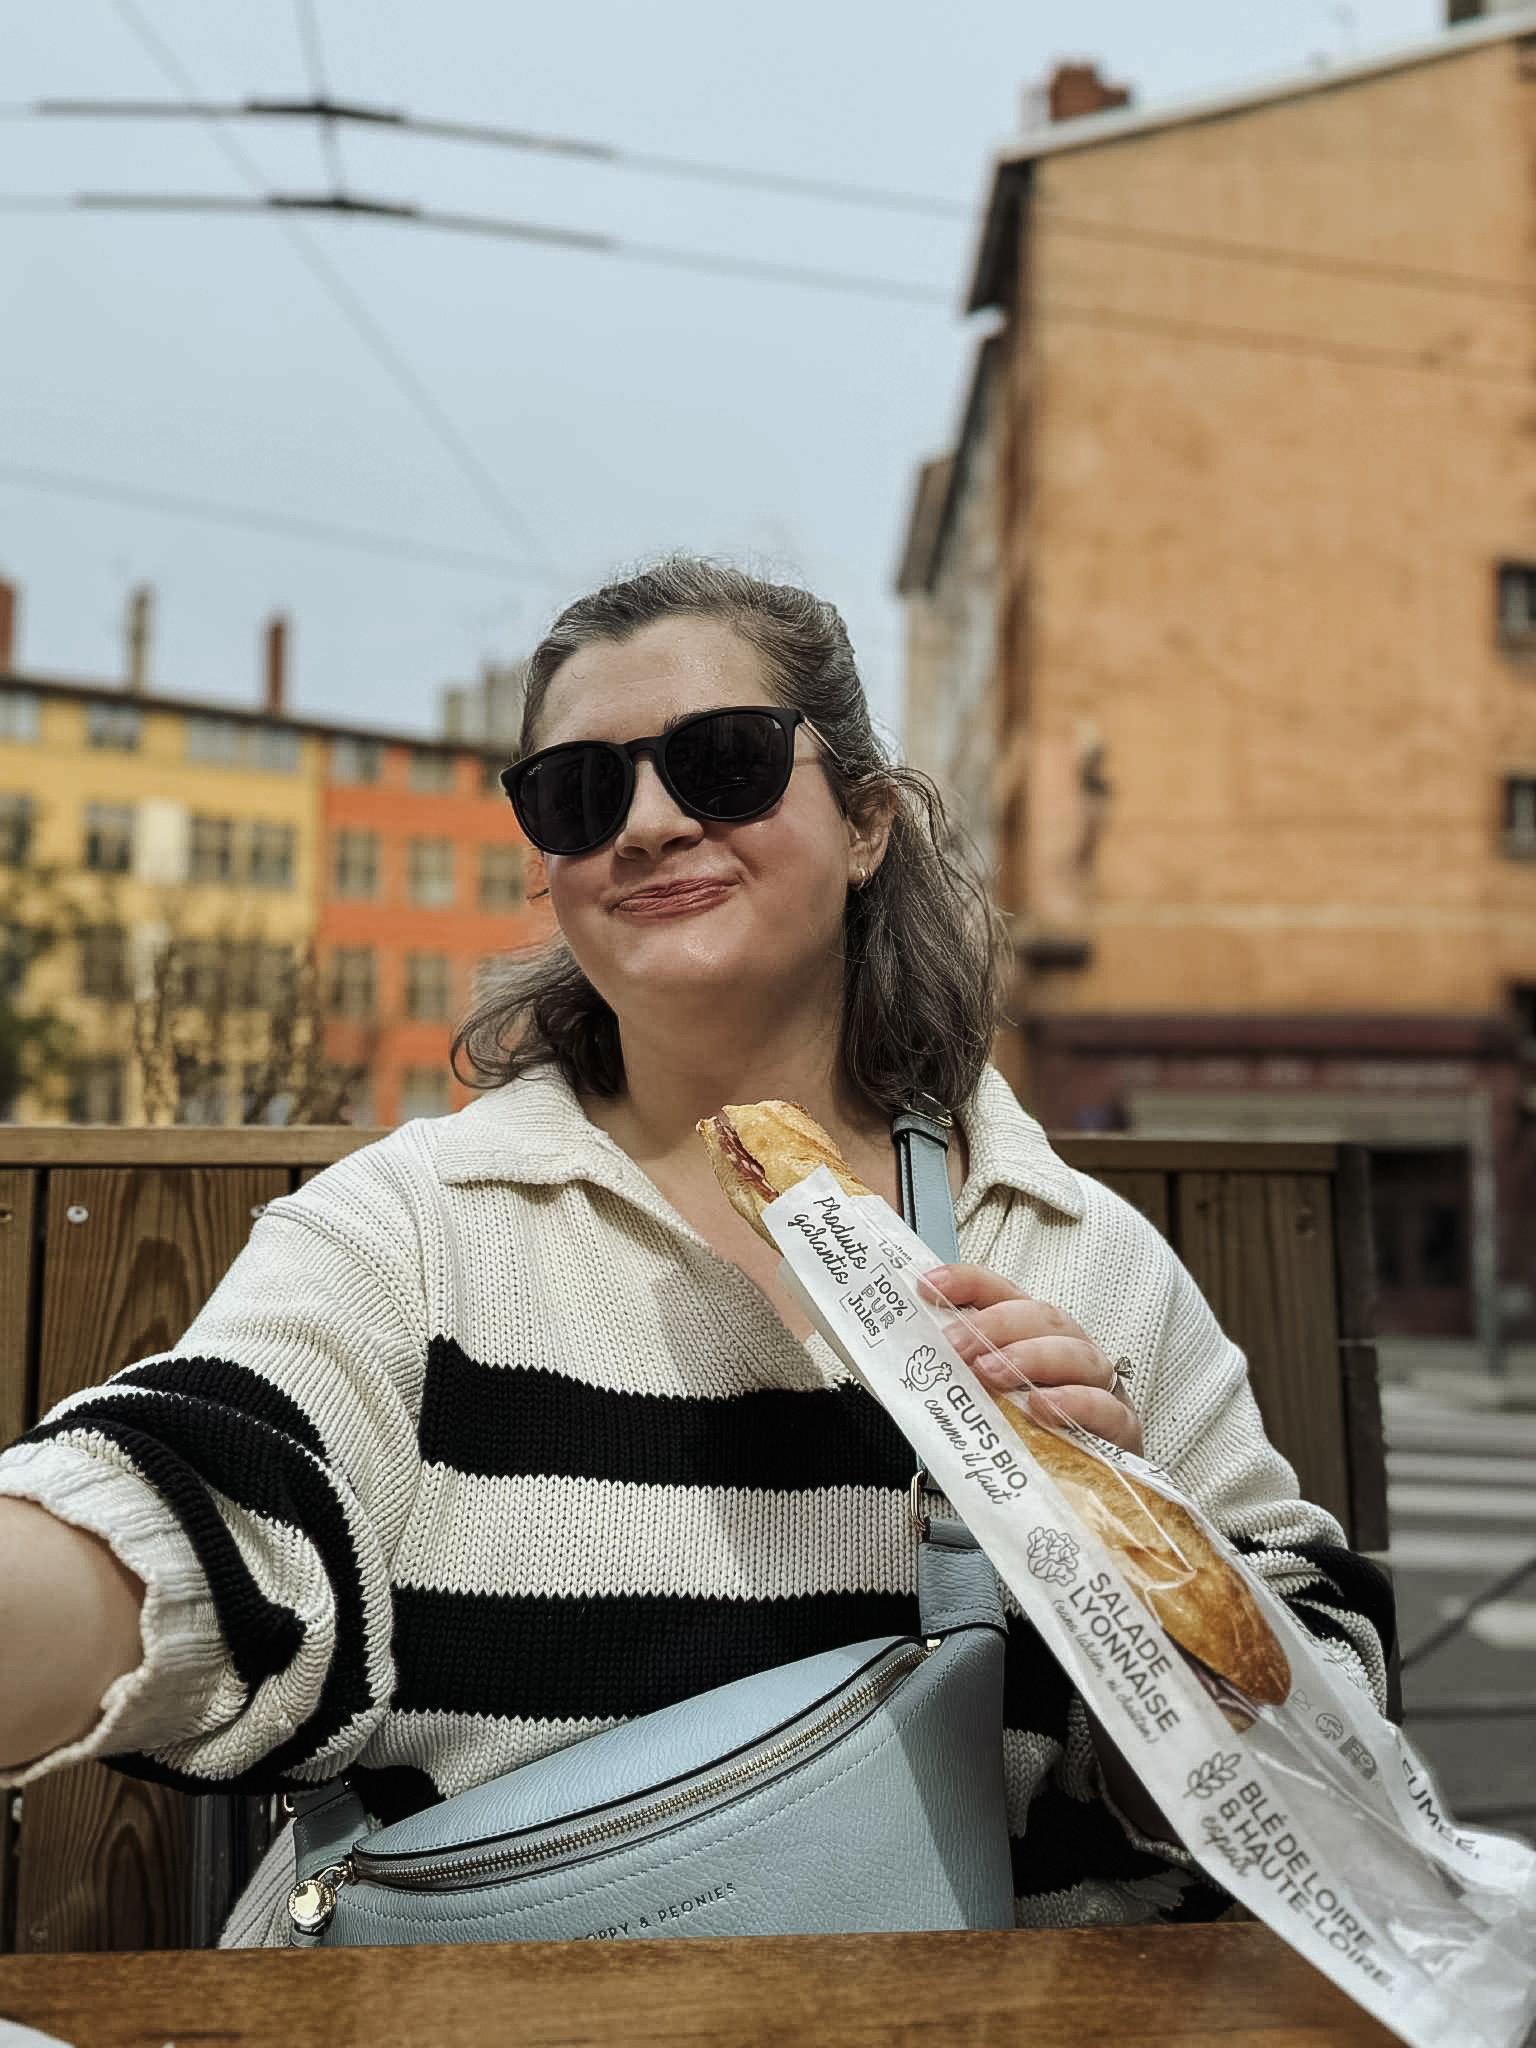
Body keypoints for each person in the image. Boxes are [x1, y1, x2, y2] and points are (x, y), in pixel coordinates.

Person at [0, 558, 1394, 1942]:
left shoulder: (1079, 1253)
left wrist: (1115, 1561)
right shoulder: (416, 1223)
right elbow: (200, 1501)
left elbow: (1330, 1769)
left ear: (866, 824)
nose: (650, 823)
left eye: (722, 763)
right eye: (578, 791)